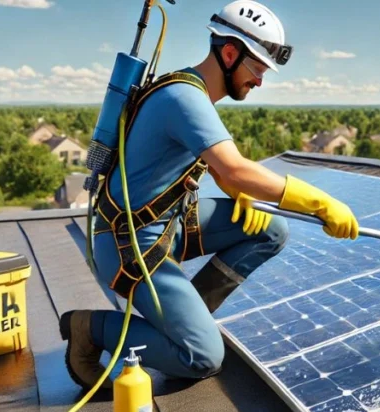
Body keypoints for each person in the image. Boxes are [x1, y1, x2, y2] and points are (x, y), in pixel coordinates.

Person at [60, 0, 360, 390]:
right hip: (129, 245)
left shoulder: (189, 90)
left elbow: (222, 172)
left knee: (271, 229)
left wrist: (241, 193)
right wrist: (321, 202)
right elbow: (234, 167)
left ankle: (184, 317)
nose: (260, 82)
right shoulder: (184, 98)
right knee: (202, 357)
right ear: (230, 54)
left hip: (163, 227)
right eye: (257, 69)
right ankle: (92, 327)